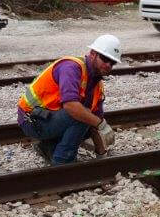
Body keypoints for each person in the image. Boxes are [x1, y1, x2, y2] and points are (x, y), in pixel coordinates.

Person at [17, 35, 120, 165]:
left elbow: (96, 125)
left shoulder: (97, 85)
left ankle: (48, 146)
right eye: (105, 59)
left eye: (113, 62)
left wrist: (101, 154)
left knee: (89, 119)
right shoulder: (71, 68)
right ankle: (63, 162)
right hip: (32, 120)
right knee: (81, 114)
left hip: (48, 118)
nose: (108, 65)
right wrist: (101, 124)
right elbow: (71, 106)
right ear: (93, 54)